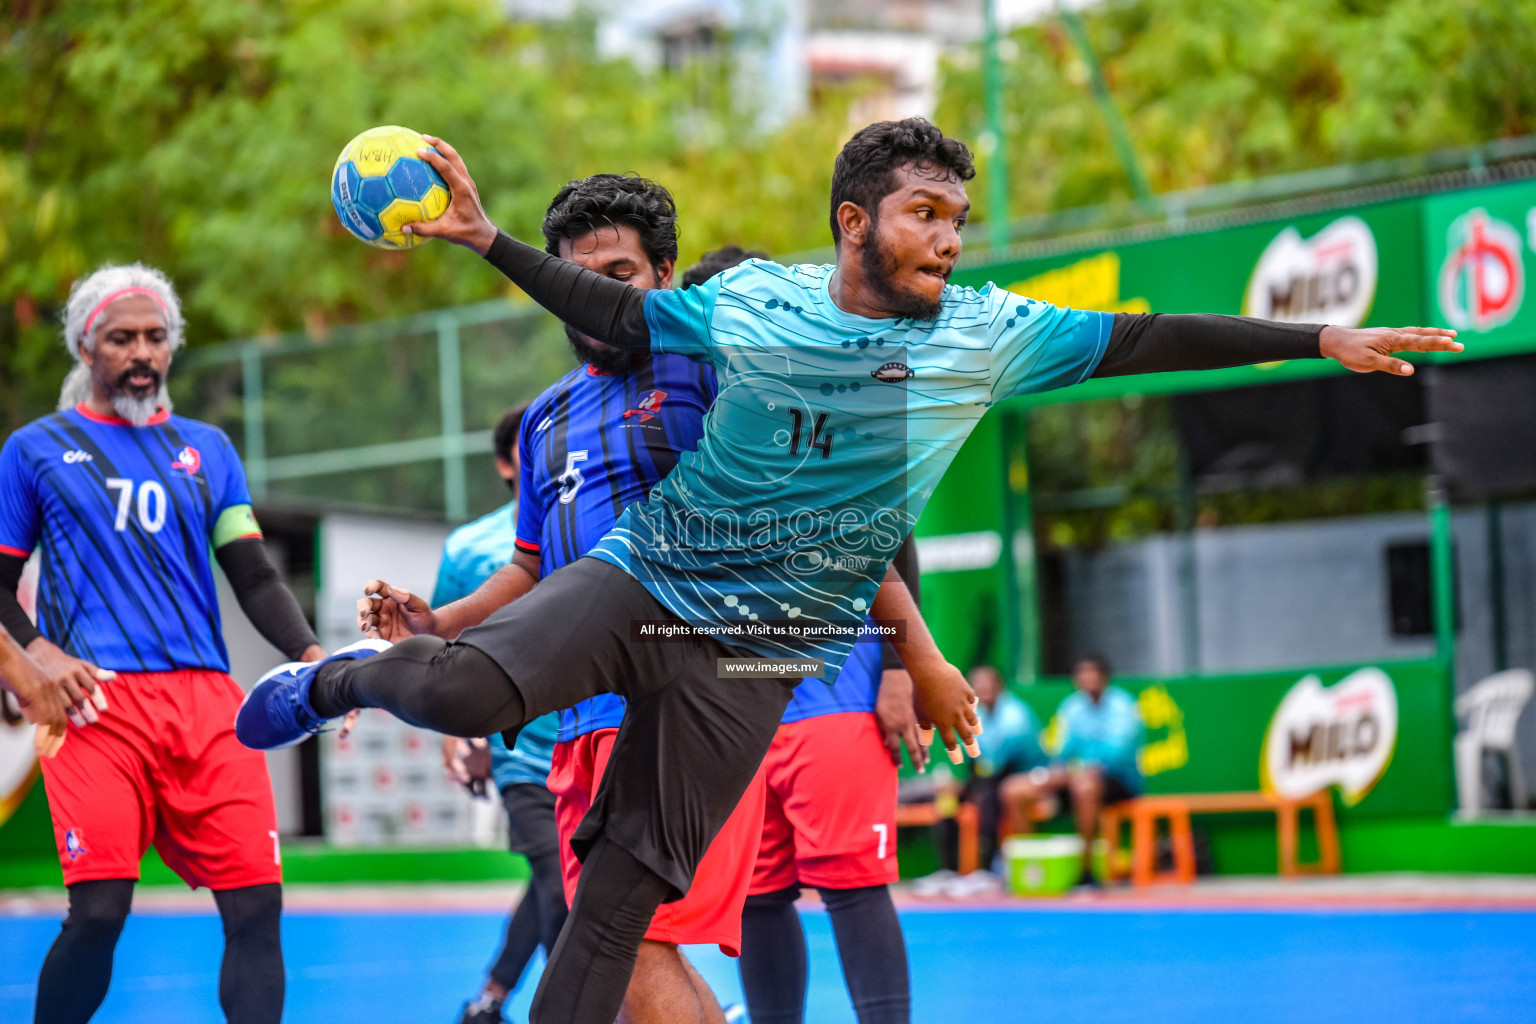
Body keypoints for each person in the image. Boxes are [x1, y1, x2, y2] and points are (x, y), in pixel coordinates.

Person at [237, 117, 1461, 1024]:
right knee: (454, 691)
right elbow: (610, 317)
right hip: (649, 578)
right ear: (853, 221)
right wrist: (485, 235)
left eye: (957, 217)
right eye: (925, 211)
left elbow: (1148, 337)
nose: (949, 235)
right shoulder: (751, 307)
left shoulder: (990, 335)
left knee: (617, 902)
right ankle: (338, 683)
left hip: (756, 662)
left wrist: (1317, 339)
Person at [0, 263, 327, 1024]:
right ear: (87, 346)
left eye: (155, 337)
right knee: (99, 915)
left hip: (210, 706)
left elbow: (251, 572)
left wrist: (311, 655)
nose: (141, 351)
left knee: (256, 909)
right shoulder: (35, 448)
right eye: (121, 338)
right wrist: (36, 651)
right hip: (94, 708)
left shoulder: (207, 448)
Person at [678, 245, 925, 1024]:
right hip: (733, 707)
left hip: (837, 686)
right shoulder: (691, 415)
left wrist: (900, 670)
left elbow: (894, 536)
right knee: (756, 894)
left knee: (852, 884)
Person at [435, 404, 568, 1024]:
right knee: (564, 889)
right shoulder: (469, 548)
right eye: (525, 442)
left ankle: (489, 1000)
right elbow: (441, 650)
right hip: (523, 754)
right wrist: (461, 733)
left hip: (598, 738)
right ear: (503, 462)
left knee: (571, 882)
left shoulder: (592, 521)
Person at [1000, 654, 1140, 886]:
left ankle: (1086, 871)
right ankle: (1029, 870)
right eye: (1082, 673)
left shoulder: (1122, 705)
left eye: (1093, 672)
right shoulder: (1072, 707)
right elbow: (1061, 752)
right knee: (1014, 788)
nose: (1088, 678)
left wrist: (1082, 771)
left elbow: (1117, 754)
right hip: (1075, 779)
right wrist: (1053, 775)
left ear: (1105, 677)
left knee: (1085, 785)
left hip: (1118, 781)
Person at [935, 664, 1043, 874]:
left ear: (999, 686)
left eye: (987, 683)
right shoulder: (972, 714)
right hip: (986, 778)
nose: (982, 688)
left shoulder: (1016, 715)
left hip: (1020, 774)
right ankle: (947, 871)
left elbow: (1003, 763)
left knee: (987, 798)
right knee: (947, 798)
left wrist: (977, 786)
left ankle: (989, 868)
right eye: (977, 684)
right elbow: (973, 761)